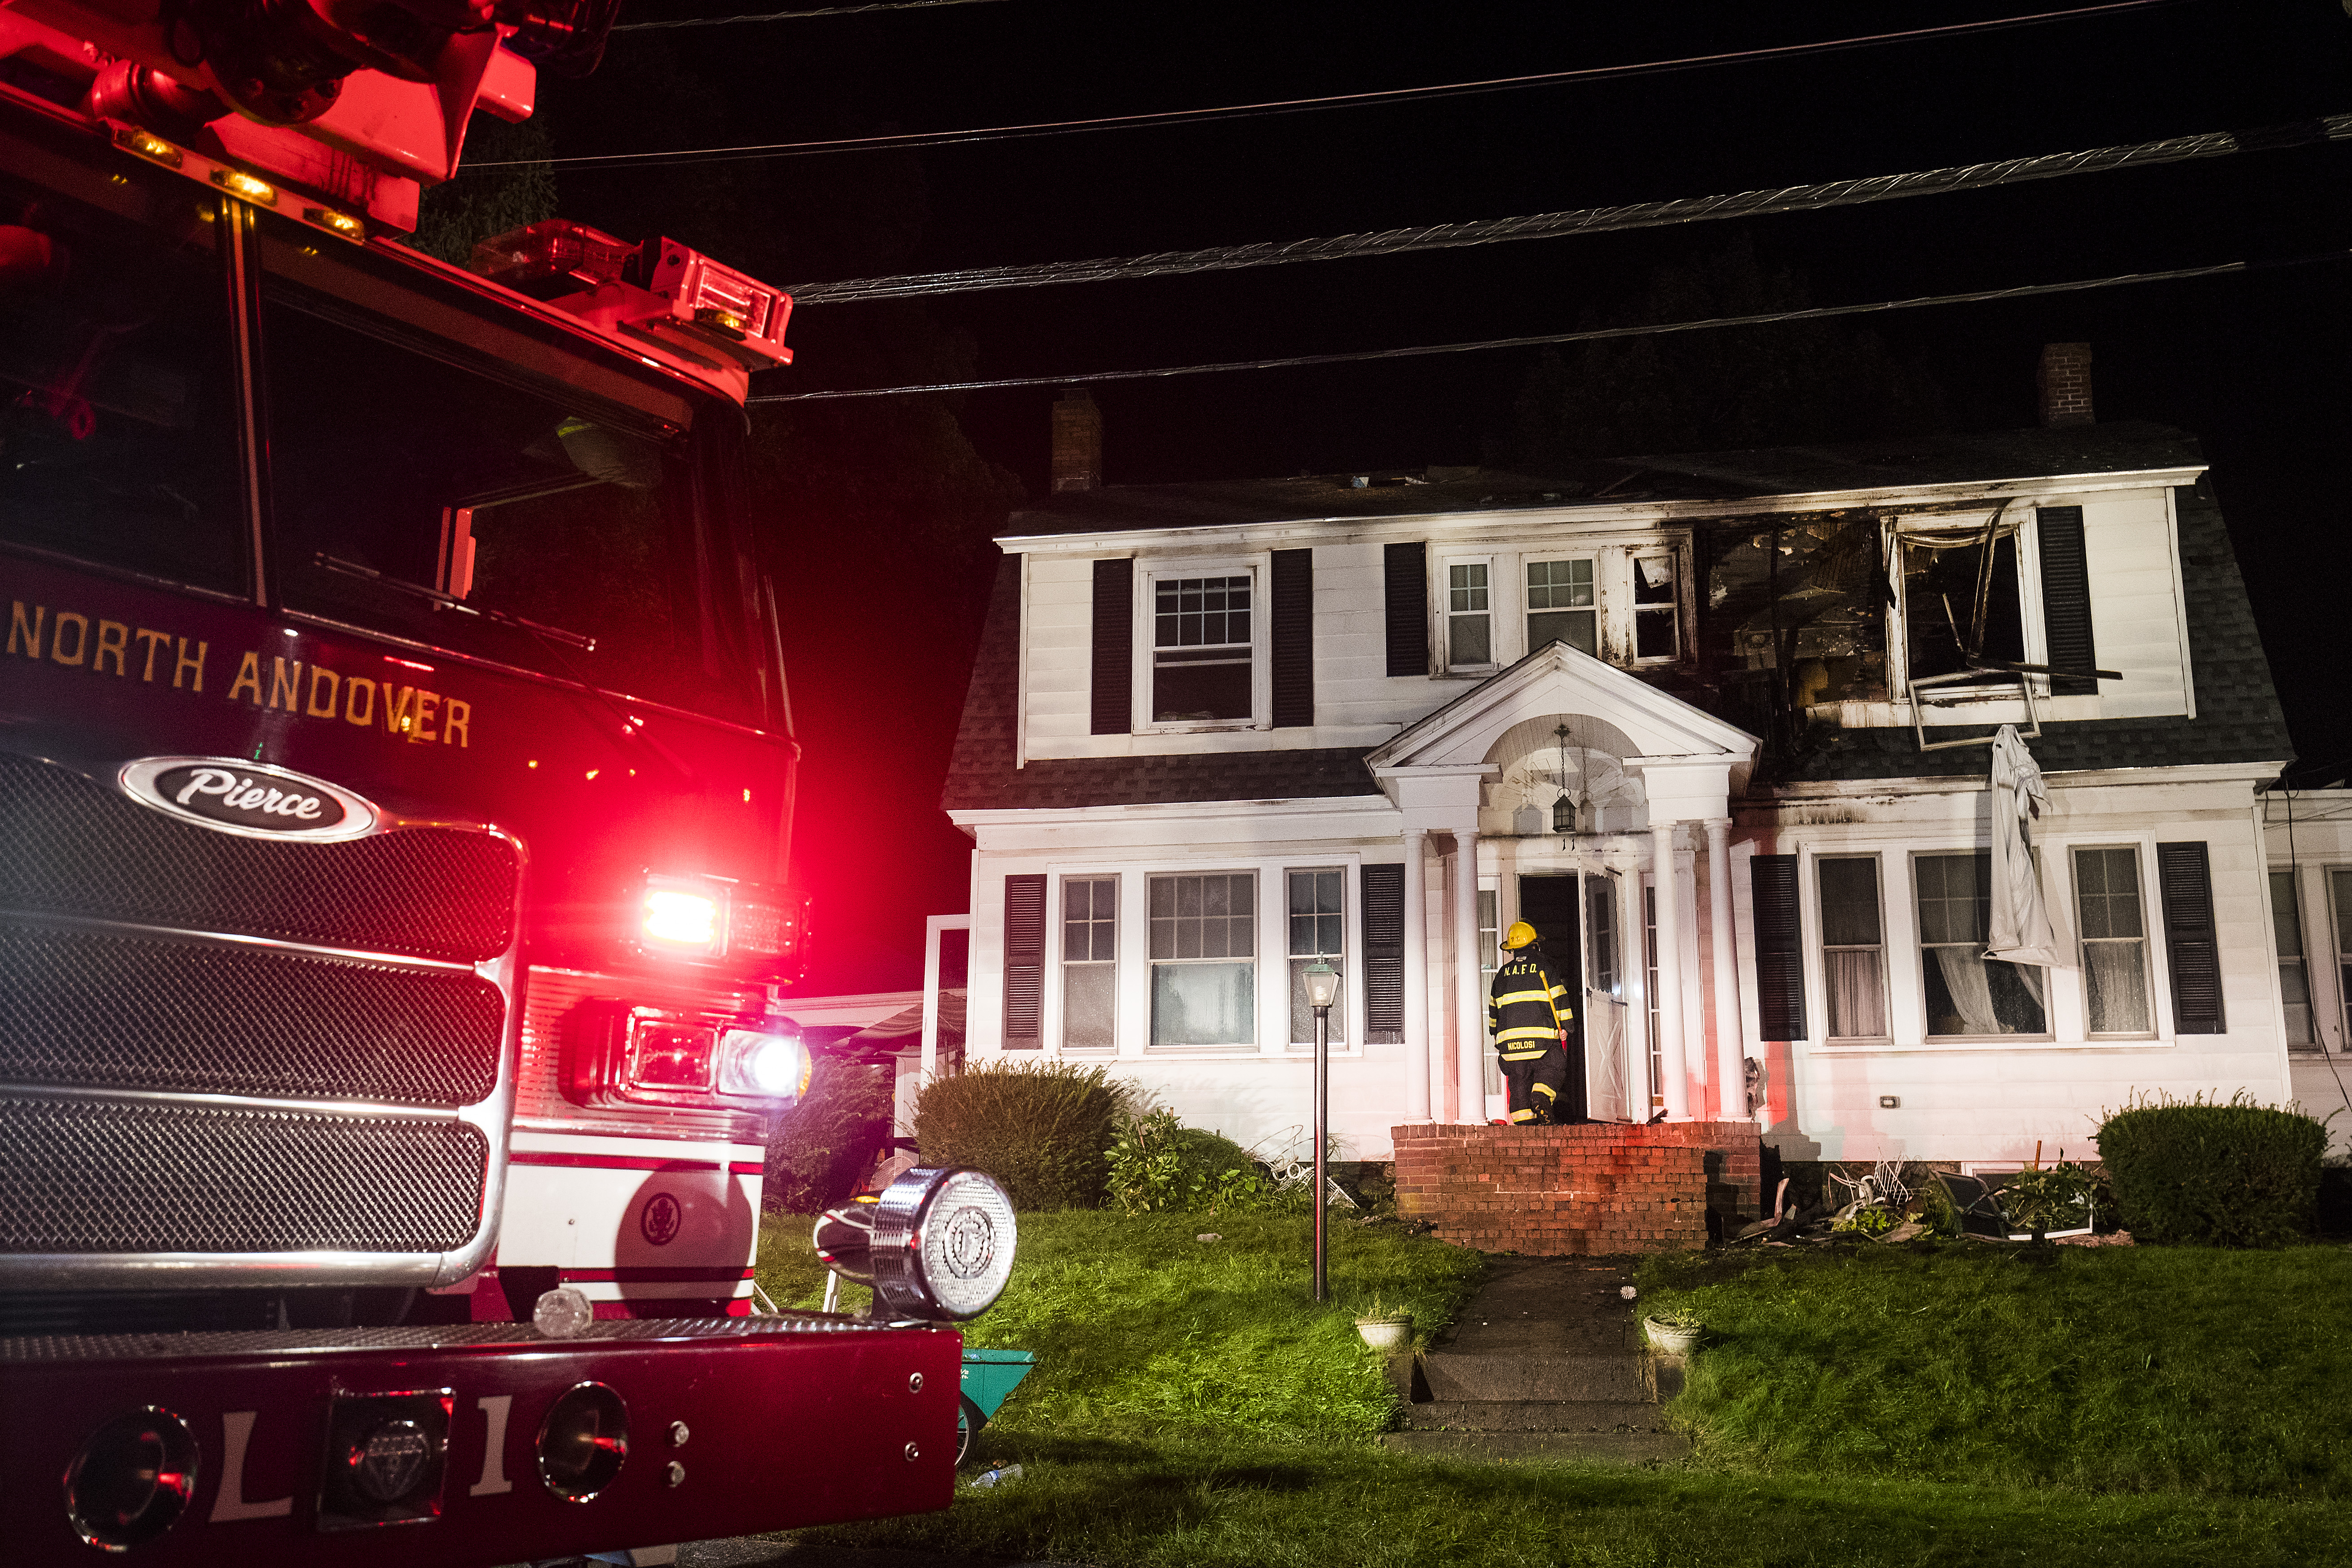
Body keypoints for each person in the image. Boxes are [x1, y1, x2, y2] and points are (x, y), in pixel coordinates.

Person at [1487, 921, 1575, 1126]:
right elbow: (1560, 1000)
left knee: (1519, 1084)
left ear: (1512, 950)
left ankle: (1524, 1122)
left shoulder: (1501, 976)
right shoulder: (1545, 969)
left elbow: (1494, 1012)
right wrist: (1567, 1028)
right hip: (1542, 1041)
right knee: (1552, 1068)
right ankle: (1541, 1097)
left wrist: (1496, 1034)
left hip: (1511, 1047)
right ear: (1535, 945)